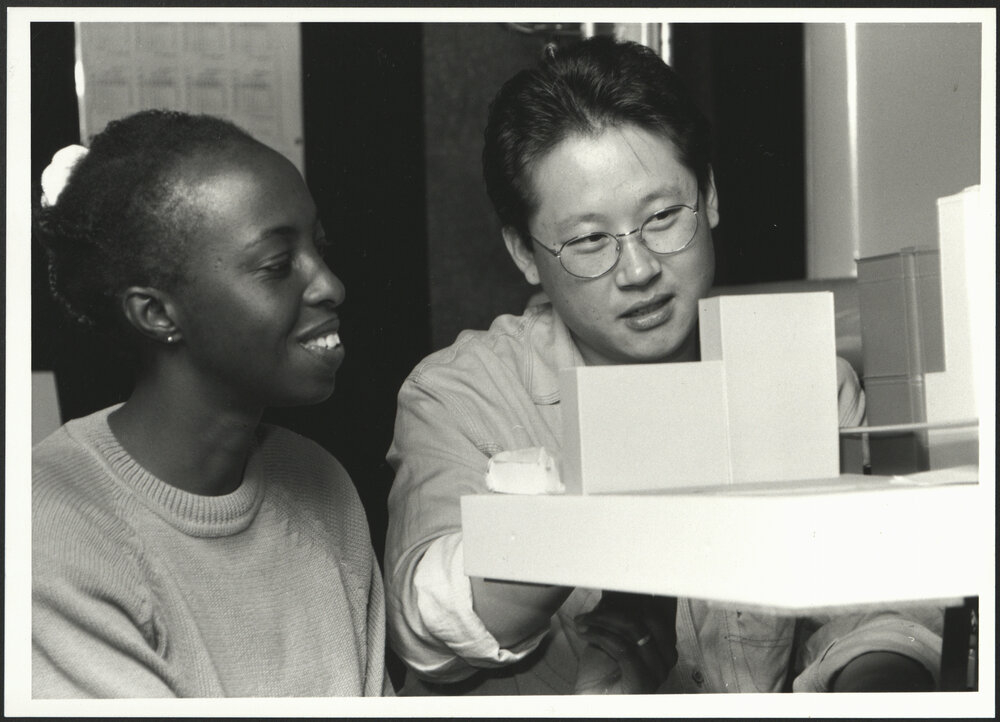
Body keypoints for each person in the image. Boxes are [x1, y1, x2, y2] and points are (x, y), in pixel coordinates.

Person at [384, 37, 943, 695]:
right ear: (525, 252)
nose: (641, 269)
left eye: (662, 217)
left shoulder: (810, 382)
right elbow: (428, 623)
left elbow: (884, 606)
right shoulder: (461, 395)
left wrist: (877, 683)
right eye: (590, 240)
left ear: (708, 197)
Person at [32, 110, 390, 697]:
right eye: (277, 267)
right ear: (157, 314)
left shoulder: (320, 482)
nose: (331, 286)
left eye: (319, 250)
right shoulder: (49, 531)